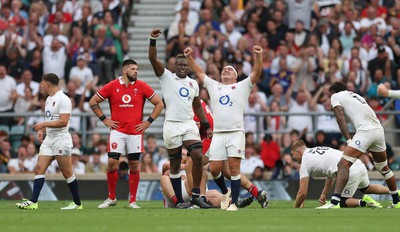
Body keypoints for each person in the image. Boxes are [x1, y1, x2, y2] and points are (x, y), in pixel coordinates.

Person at [184, 43, 263, 211]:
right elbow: (199, 72)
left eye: (230, 70)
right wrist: (189, 58)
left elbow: (256, 73)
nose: (226, 70)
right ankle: (227, 193)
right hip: (218, 134)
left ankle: (234, 203)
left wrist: (258, 56)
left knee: (234, 168)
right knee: (215, 169)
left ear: (236, 76)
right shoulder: (214, 86)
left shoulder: (242, 86)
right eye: (224, 69)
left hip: (235, 131)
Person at [148, 29, 213, 209]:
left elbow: (198, 105)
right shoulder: (167, 77)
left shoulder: (193, 84)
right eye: (180, 65)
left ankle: (195, 196)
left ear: (188, 66)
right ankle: (178, 201)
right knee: (175, 164)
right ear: (175, 66)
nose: (183, 67)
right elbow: (153, 59)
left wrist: (206, 124)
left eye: (186, 65)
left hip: (188, 124)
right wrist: (153, 40)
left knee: (198, 156)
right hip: (172, 125)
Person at [89, 59, 164, 209]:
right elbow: (93, 102)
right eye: (133, 69)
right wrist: (105, 119)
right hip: (117, 131)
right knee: (112, 163)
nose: (136, 71)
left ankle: (132, 201)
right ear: (124, 70)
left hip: (135, 132)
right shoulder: (112, 86)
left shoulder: (142, 86)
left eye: (137, 69)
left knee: (134, 165)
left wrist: (148, 121)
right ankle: (111, 197)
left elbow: (159, 103)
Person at [320, 81, 399, 209]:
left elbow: (340, 117)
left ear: (334, 92)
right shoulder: (356, 96)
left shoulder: (336, 96)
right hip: (378, 130)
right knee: (383, 168)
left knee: (343, 164)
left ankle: (334, 203)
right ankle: (397, 201)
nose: (330, 99)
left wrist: (348, 140)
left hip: (366, 131)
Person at [16, 73, 82, 210]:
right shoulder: (48, 99)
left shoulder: (64, 99)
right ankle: (33, 202)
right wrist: (42, 129)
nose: (41, 85)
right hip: (49, 139)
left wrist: (43, 124)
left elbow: (63, 122)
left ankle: (77, 203)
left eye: (42, 82)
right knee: (39, 168)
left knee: (66, 172)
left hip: (61, 139)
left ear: (47, 84)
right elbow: (52, 119)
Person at [193, 99, 268, 208]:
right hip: (217, 135)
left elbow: (196, 128)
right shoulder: (195, 99)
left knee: (194, 164)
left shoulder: (190, 103)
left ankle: (199, 199)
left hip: (212, 137)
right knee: (228, 172)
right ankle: (257, 193)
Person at [291, 140, 390, 208]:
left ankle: (365, 202)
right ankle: (395, 192)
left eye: (293, 154)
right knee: (367, 188)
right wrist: (324, 194)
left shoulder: (305, 161)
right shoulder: (318, 150)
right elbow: (331, 176)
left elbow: (302, 193)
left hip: (348, 170)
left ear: (299, 152)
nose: (293, 157)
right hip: (358, 163)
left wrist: (295, 207)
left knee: (341, 202)